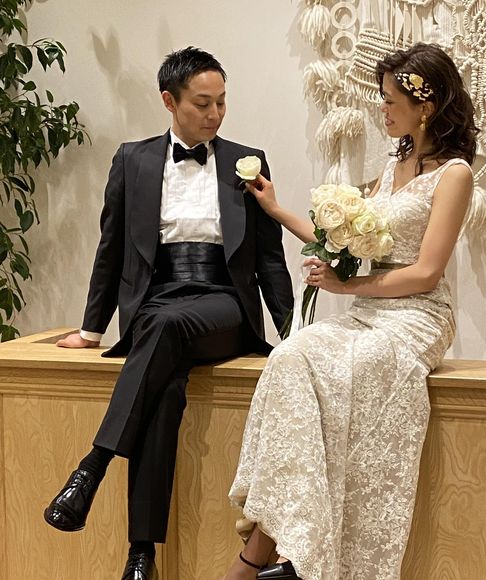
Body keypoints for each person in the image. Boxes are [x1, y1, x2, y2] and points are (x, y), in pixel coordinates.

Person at [222, 42, 477, 580]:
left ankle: (259, 560)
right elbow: (338, 242)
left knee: (336, 375)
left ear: (425, 105)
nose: (381, 109)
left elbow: (427, 272)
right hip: (368, 312)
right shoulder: (391, 165)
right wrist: (276, 208)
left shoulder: (454, 174)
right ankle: (288, 549)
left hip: (418, 317)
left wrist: (347, 285)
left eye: (389, 100)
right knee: (291, 355)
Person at [43, 47, 293, 580]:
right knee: (164, 388)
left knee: (165, 327)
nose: (215, 113)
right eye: (202, 103)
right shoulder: (132, 160)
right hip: (157, 299)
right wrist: (91, 329)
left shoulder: (247, 160)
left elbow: (269, 257)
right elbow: (111, 249)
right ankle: (142, 555)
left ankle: (93, 466)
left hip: (224, 302)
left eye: (221, 102)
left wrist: (292, 332)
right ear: (169, 101)